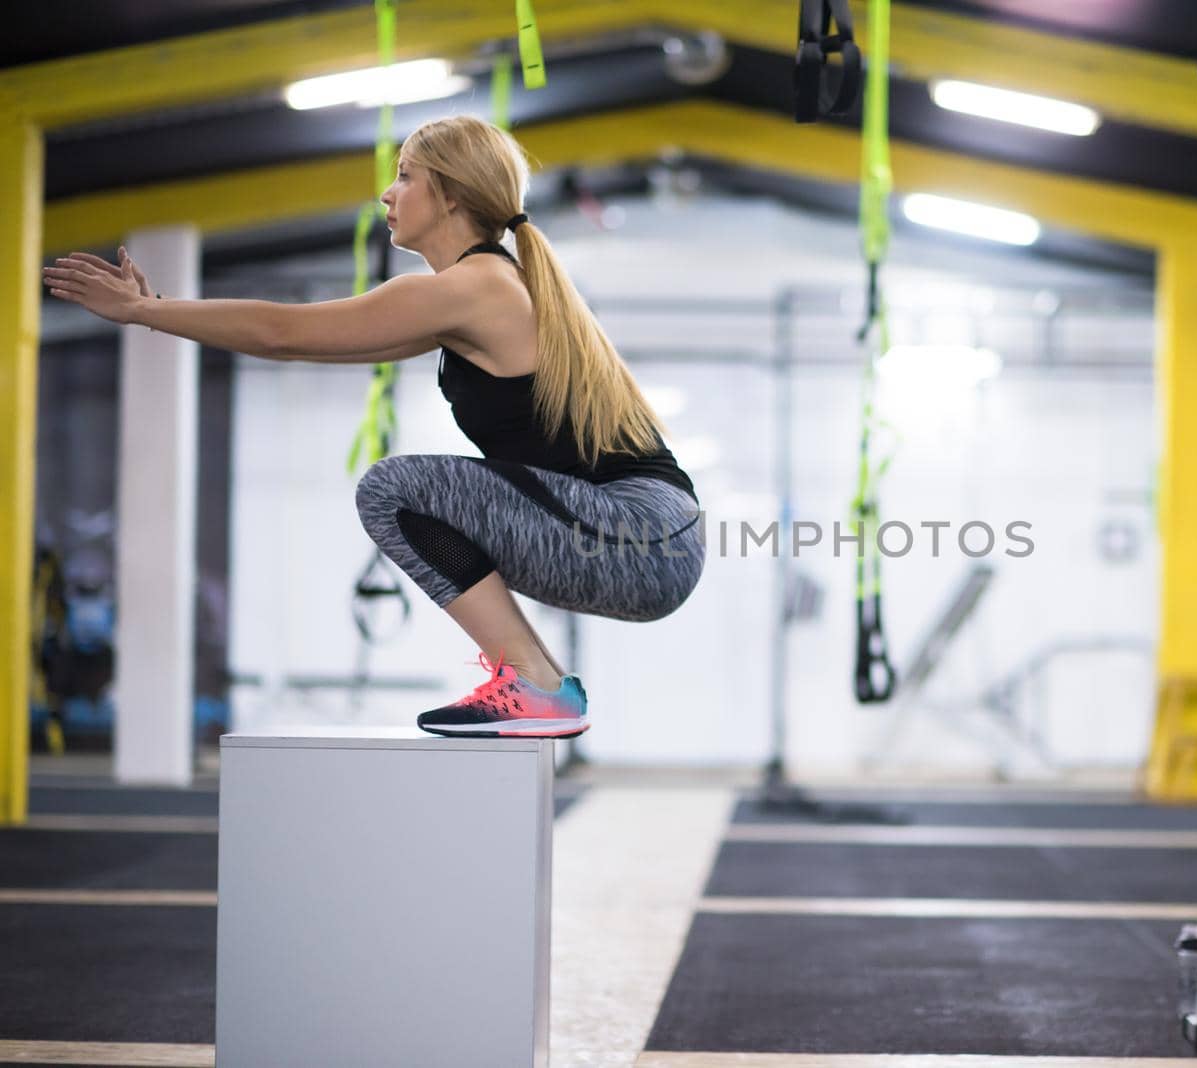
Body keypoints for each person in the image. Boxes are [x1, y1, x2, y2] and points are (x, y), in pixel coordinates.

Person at [43, 115, 705, 739]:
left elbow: (283, 332)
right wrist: (153, 307)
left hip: (638, 537)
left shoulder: (474, 287)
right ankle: (537, 683)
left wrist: (141, 311)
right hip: (639, 538)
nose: (388, 193)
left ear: (449, 195)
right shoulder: (479, 290)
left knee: (395, 490)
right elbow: (305, 341)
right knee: (406, 493)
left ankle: (535, 684)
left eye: (407, 176)